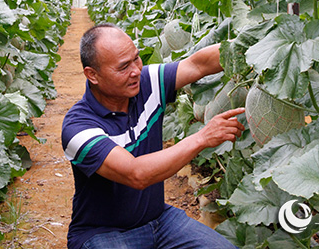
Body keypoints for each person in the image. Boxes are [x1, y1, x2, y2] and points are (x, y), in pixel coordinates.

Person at [61, 23, 245, 249]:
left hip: (160, 221)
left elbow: (197, 65)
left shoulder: (146, 83)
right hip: (104, 235)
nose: (136, 70)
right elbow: (136, 174)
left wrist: (250, 47)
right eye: (123, 67)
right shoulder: (78, 127)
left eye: (136, 59)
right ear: (93, 75)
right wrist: (202, 137)